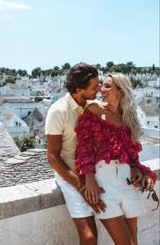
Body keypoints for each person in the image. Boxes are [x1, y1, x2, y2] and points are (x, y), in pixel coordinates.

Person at [75, 73, 157, 245]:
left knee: (134, 241)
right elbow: (84, 149)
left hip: (127, 183)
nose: (101, 90)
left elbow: (132, 157)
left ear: (120, 91)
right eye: (102, 86)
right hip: (104, 185)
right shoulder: (93, 111)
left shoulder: (129, 119)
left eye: (106, 86)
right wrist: (89, 178)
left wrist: (143, 172)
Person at [45, 62, 107, 245]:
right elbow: (53, 157)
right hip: (70, 176)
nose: (99, 89)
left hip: (93, 175)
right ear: (79, 89)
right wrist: (81, 187)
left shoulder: (93, 106)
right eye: (95, 87)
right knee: (89, 237)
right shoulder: (58, 111)